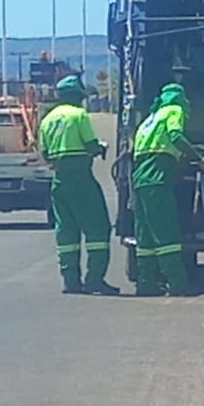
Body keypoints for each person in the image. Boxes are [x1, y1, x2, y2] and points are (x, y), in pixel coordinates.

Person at [38, 75, 118, 296]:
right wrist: (101, 147)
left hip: (59, 181)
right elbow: (91, 146)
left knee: (66, 231)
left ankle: (70, 280)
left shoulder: (47, 120)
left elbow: (44, 153)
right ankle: (95, 279)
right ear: (76, 97)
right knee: (98, 228)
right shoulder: (78, 115)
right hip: (81, 178)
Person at [130, 82, 204, 296]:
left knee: (145, 236)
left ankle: (145, 283)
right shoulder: (173, 111)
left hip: (139, 181)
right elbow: (175, 136)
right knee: (166, 233)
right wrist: (199, 158)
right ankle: (177, 283)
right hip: (157, 179)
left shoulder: (150, 119)